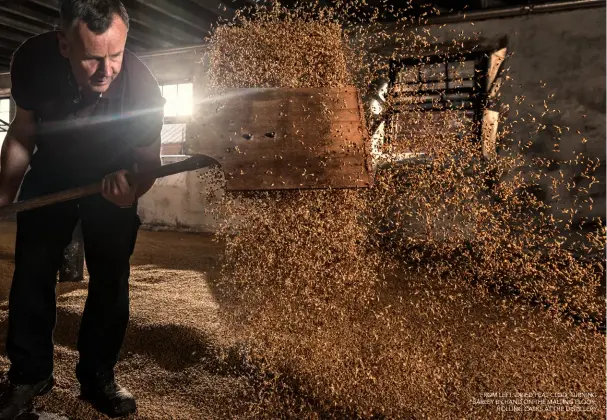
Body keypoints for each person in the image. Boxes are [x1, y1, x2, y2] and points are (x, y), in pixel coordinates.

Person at [0, 0, 165, 418]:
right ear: (63, 45)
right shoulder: (33, 62)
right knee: (32, 274)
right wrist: (4, 194)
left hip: (114, 177)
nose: (106, 70)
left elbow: (148, 165)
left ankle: (97, 377)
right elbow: (22, 133)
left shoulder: (143, 89)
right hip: (52, 171)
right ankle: (28, 374)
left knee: (111, 278)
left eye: (115, 55)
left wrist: (129, 191)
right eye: (92, 58)